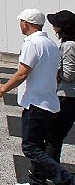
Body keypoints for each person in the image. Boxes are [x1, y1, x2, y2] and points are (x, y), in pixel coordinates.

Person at [0, 9, 74, 185]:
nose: (20, 24)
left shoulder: (32, 44)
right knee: (40, 145)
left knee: (30, 147)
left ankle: (65, 179)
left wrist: (1, 91)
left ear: (26, 23)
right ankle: (37, 181)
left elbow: (22, 74)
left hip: (36, 103)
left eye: (20, 21)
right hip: (49, 102)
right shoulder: (50, 44)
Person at [45, 10, 75, 167]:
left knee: (53, 136)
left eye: (55, 24)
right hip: (68, 96)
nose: (53, 27)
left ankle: (51, 172)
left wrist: (54, 70)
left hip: (67, 97)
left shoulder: (69, 45)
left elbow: (68, 74)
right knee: (55, 136)